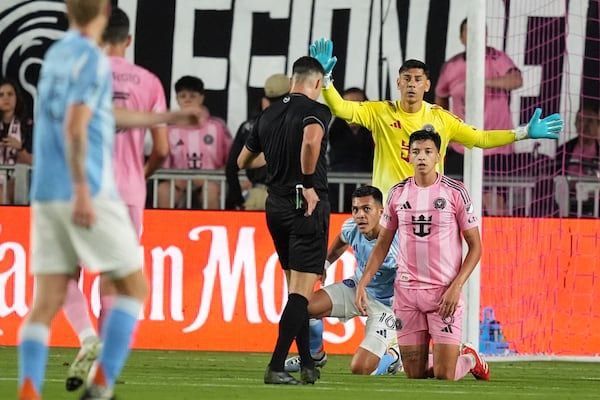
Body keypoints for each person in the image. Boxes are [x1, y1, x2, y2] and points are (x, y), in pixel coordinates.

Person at [17, 1, 202, 399]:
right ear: (105, 18)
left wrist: (166, 117)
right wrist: (83, 188)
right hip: (96, 191)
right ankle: (101, 383)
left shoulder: (55, 58)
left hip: (47, 192)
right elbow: (80, 126)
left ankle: (32, 386)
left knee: (48, 296)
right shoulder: (95, 61)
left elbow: (101, 115)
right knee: (129, 286)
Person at [61, 6, 170, 392]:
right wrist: (139, 177)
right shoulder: (149, 82)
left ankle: (88, 338)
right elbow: (161, 147)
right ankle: (101, 373)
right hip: (128, 195)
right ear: (128, 39)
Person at [309, 38, 564, 202]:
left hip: (427, 211)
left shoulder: (441, 118)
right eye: (406, 79)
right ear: (399, 83)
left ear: (427, 85)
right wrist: (327, 80)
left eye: (418, 79)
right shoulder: (380, 112)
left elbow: (481, 138)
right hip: (389, 210)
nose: (412, 84)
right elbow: (341, 109)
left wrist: (523, 133)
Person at [355, 127, 489, 381]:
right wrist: (363, 282)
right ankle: (440, 358)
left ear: (438, 156)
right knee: (414, 376)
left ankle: (470, 358)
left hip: (443, 294)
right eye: (416, 152)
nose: (422, 157)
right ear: (409, 156)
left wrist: (456, 286)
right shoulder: (397, 193)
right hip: (407, 296)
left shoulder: (454, 192)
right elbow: (383, 243)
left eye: (428, 151)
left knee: (444, 376)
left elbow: (476, 246)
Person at [237, 56, 331, 385]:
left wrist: (277, 155)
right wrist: (306, 183)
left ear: (293, 80)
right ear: (317, 83)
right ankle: (276, 365)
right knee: (302, 294)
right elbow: (310, 140)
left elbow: (242, 160)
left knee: (296, 289)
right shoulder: (316, 111)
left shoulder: (268, 114)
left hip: (275, 207)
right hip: (304, 206)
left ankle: (307, 364)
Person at [285, 185, 402, 376]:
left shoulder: (397, 244)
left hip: (387, 306)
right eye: (355, 209)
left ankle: (393, 357)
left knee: (361, 369)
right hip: (356, 288)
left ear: (381, 212)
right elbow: (341, 240)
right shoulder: (351, 227)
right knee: (303, 308)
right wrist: (325, 264)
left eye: (367, 209)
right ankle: (315, 354)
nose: (360, 215)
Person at [435, 17, 523, 215]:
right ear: (461, 37)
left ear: (486, 36)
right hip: (462, 147)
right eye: (469, 31)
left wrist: (483, 83)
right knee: (457, 202)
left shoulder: (497, 58)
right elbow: (440, 97)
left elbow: (517, 80)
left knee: (494, 203)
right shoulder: (452, 65)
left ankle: (496, 244)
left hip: (496, 146)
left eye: (479, 32)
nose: (475, 36)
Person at [157, 75, 232, 210]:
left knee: (211, 190)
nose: (187, 100)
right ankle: (165, 230)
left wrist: (209, 176)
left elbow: (231, 159)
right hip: (178, 182)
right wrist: (177, 179)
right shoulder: (169, 130)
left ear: (201, 98)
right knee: (164, 190)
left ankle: (210, 228)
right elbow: (163, 164)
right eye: (183, 96)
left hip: (212, 180)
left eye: (192, 96)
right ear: (177, 99)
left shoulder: (217, 127)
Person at [225, 73, 289, 210]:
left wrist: (238, 199)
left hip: (255, 197)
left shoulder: (248, 126)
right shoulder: (300, 125)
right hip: (286, 198)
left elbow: (231, 167)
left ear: (265, 101)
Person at [328, 87, 374, 213]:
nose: (352, 110)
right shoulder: (332, 128)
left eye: (357, 105)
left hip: (367, 190)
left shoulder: (376, 130)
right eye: (347, 105)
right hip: (336, 191)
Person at [554, 103, 600, 216]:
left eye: (589, 121)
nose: (584, 125)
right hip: (567, 202)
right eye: (580, 120)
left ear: (598, 125)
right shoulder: (564, 150)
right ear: (575, 124)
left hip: (595, 203)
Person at [0, 78, 33, 204]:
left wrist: (19, 148)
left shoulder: (28, 126)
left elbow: (34, 162)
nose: (6, 98)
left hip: (19, 179)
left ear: (16, 98)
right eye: (1, 95)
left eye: (10, 94)